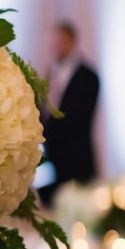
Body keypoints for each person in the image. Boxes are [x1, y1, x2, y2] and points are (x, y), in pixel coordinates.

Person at [38, 20, 100, 208]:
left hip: (76, 162)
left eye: (59, 42)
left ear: (72, 42)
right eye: (52, 43)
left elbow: (79, 120)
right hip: (52, 163)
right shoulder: (50, 73)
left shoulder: (88, 76)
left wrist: (48, 133)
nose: (54, 47)